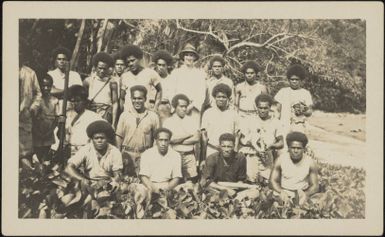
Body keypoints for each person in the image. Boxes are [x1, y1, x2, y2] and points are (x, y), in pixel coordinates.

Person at [115, 85, 160, 176]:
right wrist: (118, 156)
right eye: (134, 98)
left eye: (140, 98)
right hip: (127, 154)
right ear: (131, 99)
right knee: (125, 184)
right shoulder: (124, 115)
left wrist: (153, 156)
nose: (137, 101)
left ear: (145, 99)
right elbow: (119, 137)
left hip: (145, 155)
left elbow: (157, 139)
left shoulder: (153, 116)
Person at [239, 94, 284, 183]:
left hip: (267, 157)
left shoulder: (276, 122)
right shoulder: (249, 120)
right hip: (252, 156)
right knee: (251, 181)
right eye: (260, 108)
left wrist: (271, 146)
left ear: (270, 107)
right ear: (257, 107)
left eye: (265, 108)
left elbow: (281, 143)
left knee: (267, 182)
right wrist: (252, 144)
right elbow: (241, 140)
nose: (262, 110)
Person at [200, 133, 258, 199]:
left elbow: (241, 179)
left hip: (234, 189)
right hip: (217, 188)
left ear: (234, 146)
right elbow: (207, 182)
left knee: (255, 193)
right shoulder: (212, 158)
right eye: (223, 146)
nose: (226, 150)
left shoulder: (240, 158)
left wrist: (245, 187)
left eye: (229, 147)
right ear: (219, 146)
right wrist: (225, 189)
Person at [51, 85, 103, 157]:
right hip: (67, 152)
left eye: (78, 101)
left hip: (85, 153)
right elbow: (59, 136)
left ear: (85, 101)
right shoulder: (66, 115)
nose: (75, 104)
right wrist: (60, 126)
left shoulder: (94, 117)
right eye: (72, 101)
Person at [269, 132, 319, 205]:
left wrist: (306, 194)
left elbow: (315, 186)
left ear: (304, 149)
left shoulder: (310, 162)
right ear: (288, 148)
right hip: (284, 192)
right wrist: (281, 192)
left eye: (299, 148)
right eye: (293, 148)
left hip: (302, 193)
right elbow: (272, 181)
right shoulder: (281, 159)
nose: (295, 151)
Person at [163, 94, 200, 183]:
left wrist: (177, 140)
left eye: (186, 106)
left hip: (189, 156)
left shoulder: (192, 120)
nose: (184, 109)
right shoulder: (168, 122)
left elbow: (196, 138)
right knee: (174, 182)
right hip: (174, 156)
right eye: (181, 106)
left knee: (191, 183)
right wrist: (188, 135)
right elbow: (170, 140)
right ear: (175, 107)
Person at [19, 38, 42, 168]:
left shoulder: (29, 73)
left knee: (25, 152)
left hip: (24, 117)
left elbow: (38, 93)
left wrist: (32, 109)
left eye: (20, 52)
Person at [120, 45, 162, 112]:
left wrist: (155, 108)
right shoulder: (124, 76)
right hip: (128, 114)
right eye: (128, 62)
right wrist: (123, 113)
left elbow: (160, 90)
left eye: (132, 60)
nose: (130, 63)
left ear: (139, 59)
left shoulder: (150, 73)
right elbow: (122, 98)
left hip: (145, 113)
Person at [139, 128, 182, 193]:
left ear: (169, 141)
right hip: (149, 185)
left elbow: (177, 177)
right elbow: (143, 177)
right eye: (160, 140)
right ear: (156, 140)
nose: (163, 143)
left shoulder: (176, 155)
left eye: (166, 140)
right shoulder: (146, 154)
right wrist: (154, 190)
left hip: (168, 186)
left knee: (187, 187)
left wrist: (166, 189)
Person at [169, 43, 207, 118]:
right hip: (178, 108)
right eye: (187, 55)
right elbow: (171, 91)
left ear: (195, 57)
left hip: (193, 109)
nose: (189, 58)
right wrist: (176, 106)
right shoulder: (176, 73)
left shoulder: (200, 74)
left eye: (191, 55)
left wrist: (192, 106)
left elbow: (202, 93)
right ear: (183, 57)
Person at [201, 83, 239, 157]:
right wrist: (203, 158)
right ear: (214, 97)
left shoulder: (234, 114)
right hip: (212, 150)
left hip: (228, 153)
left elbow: (237, 135)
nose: (221, 99)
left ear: (228, 98)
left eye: (224, 97)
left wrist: (235, 152)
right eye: (218, 97)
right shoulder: (208, 113)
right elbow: (204, 136)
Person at [274, 64, 313, 135]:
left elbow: (309, 112)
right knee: (284, 143)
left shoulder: (305, 93)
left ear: (301, 80)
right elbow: (278, 110)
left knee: (297, 143)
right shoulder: (283, 91)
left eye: (297, 79)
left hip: (299, 125)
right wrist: (276, 124)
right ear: (289, 80)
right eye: (292, 79)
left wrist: (304, 110)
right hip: (284, 125)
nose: (294, 81)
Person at [83, 52, 119, 128]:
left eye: (104, 68)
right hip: (91, 113)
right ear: (95, 67)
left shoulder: (112, 83)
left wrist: (113, 123)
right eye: (100, 68)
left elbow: (115, 103)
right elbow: (83, 100)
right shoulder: (88, 81)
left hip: (106, 114)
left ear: (108, 68)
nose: (102, 71)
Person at [30, 74, 60, 162]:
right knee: (37, 155)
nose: (46, 88)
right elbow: (32, 118)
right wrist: (37, 132)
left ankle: (44, 170)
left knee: (46, 156)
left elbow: (56, 118)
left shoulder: (55, 101)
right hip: (36, 133)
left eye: (48, 86)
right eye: (44, 86)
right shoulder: (36, 100)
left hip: (48, 133)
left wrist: (50, 132)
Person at [235, 60, 268, 136]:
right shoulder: (239, 87)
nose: (249, 75)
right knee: (241, 138)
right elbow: (236, 105)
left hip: (256, 116)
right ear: (244, 74)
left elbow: (267, 105)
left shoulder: (262, 88)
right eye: (247, 73)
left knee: (256, 138)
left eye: (252, 73)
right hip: (242, 116)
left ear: (256, 74)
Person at [152, 50, 175, 124]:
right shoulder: (152, 78)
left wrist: (172, 111)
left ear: (167, 65)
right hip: (153, 108)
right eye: (159, 65)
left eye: (163, 65)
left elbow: (173, 96)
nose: (161, 67)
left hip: (166, 108)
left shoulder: (172, 79)